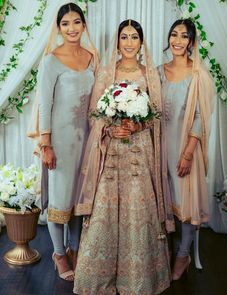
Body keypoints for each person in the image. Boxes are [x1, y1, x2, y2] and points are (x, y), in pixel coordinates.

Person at [73, 19, 174, 295]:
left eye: (134, 37)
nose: (129, 42)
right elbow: (94, 112)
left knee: (136, 209)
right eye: (124, 37)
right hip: (112, 152)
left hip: (139, 152)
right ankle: (99, 278)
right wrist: (110, 127)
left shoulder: (149, 73)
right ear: (117, 42)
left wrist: (138, 124)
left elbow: (157, 114)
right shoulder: (107, 72)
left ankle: (139, 278)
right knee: (106, 208)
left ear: (141, 43)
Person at [27, 2, 98, 281]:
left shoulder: (92, 57)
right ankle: (58, 253)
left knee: (78, 199)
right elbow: (46, 105)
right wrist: (46, 145)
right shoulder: (51, 60)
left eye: (76, 22)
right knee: (59, 199)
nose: (72, 28)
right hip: (60, 142)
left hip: (87, 141)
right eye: (65, 23)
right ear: (58, 28)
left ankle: (75, 249)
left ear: (84, 25)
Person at [158, 19, 215, 280]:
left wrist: (188, 154)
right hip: (159, 148)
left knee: (186, 205)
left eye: (183, 36)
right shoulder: (158, 72)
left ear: (191, 42)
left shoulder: (198, 75)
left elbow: (200, 118)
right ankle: (166, 251)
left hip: (184, 149)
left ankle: (183, 255)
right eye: (174, 35)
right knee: (165, 203)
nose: (177, 41)